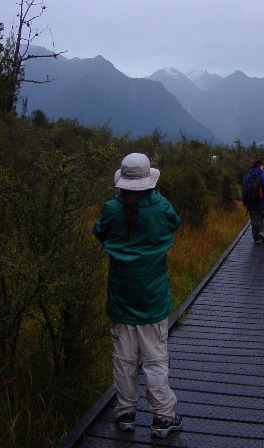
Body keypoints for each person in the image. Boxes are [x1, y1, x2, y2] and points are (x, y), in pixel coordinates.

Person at [93, 153, 183, 438]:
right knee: (156, 360)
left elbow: (100, 231)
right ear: (148, 180)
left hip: (121, 294)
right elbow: (174, 223)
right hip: (153, 296)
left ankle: (126, 414)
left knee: (124, 358)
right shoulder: (160, 206)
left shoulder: (110, 209)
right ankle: (162, 417)